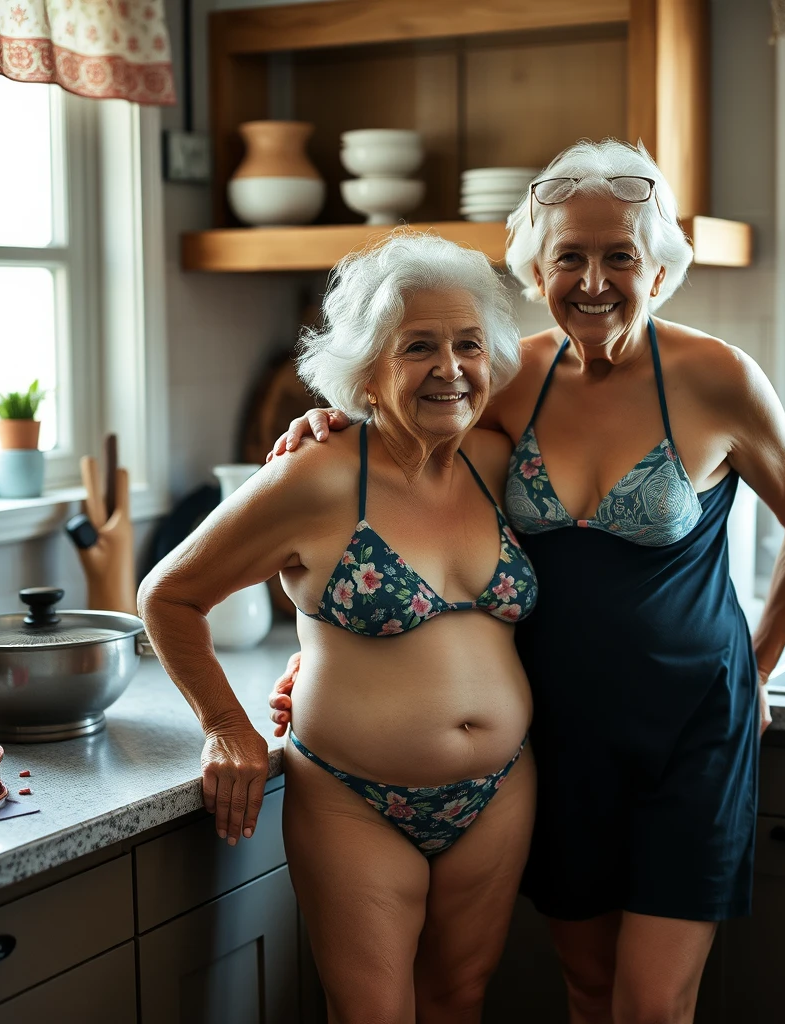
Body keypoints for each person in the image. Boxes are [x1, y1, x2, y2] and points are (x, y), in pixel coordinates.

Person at [268, 139, 785, 1024]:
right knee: (586, 987)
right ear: (537, 268)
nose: (594, 277)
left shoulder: (718, 377)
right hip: (559, 730)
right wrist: (327, 427)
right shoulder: (507, 375)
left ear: (659, 268)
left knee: (650, 1005)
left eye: (620, 254)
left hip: (692, 728)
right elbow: (405, 457)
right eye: (569, 254)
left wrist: (760, 667)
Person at [138, 232, 540, 1024]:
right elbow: (168, 596)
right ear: (365, 367)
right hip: (353, 799)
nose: (450, 368)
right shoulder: (315, 474)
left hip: (501, 790)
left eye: (467, 344)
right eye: (417, 346)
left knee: (460, 1000)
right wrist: (227, 728)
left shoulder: (500, 460)